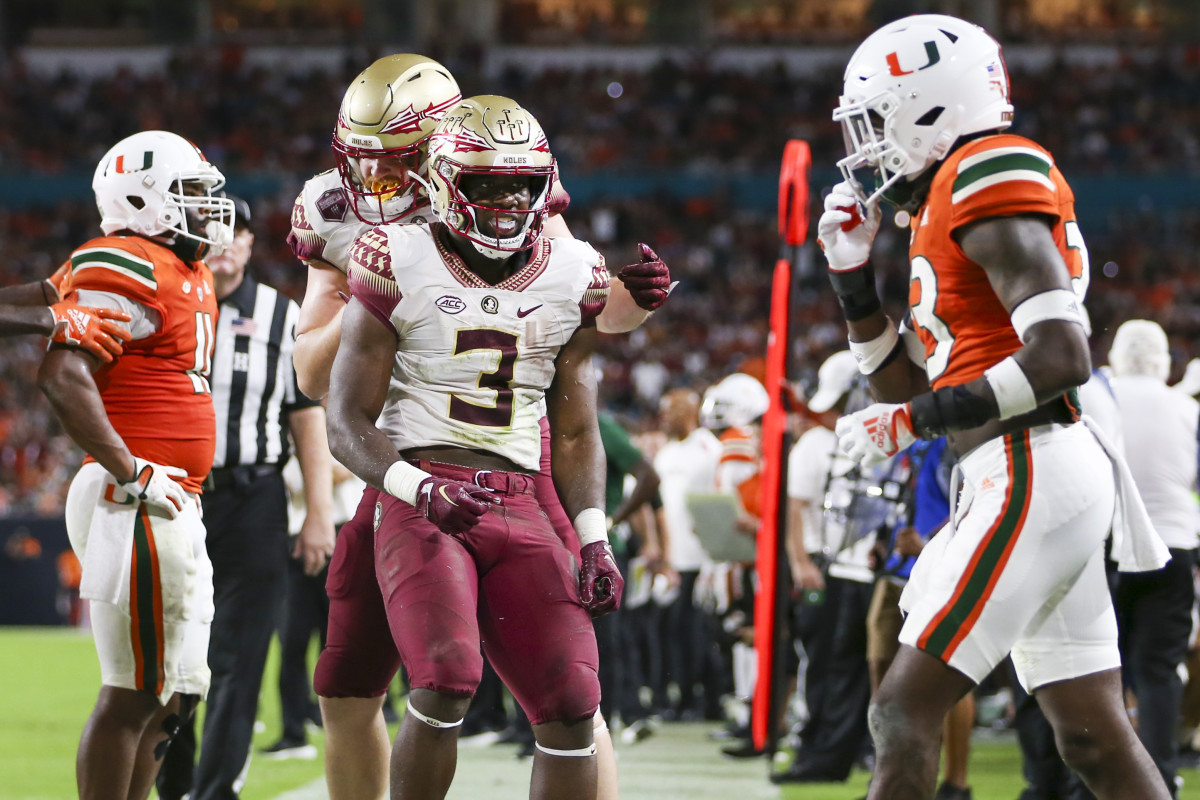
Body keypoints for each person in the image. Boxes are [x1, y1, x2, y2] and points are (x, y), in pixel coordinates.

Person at [290, 54, 670, 800]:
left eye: (399, 163)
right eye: (366, 163)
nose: (378, 185)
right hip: (397, 460)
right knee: (347, 679)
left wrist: (633, 301)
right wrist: (389, 279)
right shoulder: (346, 218)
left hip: (512, 459)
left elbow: (576, 316)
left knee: (568, 687)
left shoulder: (509, 187)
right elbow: (312, 378)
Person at [820, 14, 1171, 800]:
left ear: (930, 105)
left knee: (901, 709)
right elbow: (901, 385)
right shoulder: (943, 197)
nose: (869, 144)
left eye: (878, 120)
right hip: (1009, 468)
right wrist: (851, 279)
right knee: (1092, 734)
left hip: (1031, 465)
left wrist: (915, 423)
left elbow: (1060, 355)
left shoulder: (988, 167)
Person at [36, 130, 234, 800]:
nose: (208, 208)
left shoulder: (188, 270)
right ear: (141, 200)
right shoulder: (125, 259)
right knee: (135, 688)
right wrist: (132, 470)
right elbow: (64, 374)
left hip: (172, 495)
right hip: (140, 494)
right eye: (190, 195)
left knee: (176, 689)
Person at [155, 197, 335, 800]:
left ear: (250, 244)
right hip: (176, 498)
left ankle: (215, 792)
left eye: (235, 233)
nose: (223, 243)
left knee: (240, 655)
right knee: (174, 654)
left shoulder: (280, 316)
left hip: (254, 497)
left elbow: (306, 415)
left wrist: (317, 513)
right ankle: (175, 785)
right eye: (211, 231)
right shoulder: (170, 300)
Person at [775, 350, 876, 783]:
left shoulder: (866, 437)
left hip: (856, 568)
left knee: (847, 666)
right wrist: (800, 561)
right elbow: (794, 511)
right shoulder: (817, 443)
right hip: (828, 567)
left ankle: (842, 748)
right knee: (826, 663)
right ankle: (822, 746)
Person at [1108, 320, 1199, 797]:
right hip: (1174, 546)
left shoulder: (1098, 397)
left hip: (1110, 549)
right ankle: (1159, 781)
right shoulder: (1186, 409)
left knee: (1101, 667)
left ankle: (1100, 778)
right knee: (1158, 671)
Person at [652, 387, 723, 720]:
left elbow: (718, 504)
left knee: (701, 632)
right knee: (675, 634)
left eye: (670, 410)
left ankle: (709, 699)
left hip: (700, 557)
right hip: (674, 558)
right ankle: (682, 697)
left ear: (688, 410)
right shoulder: (666, 454)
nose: (664, 417)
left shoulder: (709, 449)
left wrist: (714, 559)